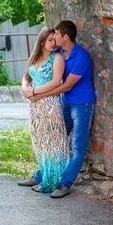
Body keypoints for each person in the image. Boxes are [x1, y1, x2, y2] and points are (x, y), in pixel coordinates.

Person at [19, 20, 96, 199]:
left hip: (82, 104)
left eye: (57, 36)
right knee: (54, 140)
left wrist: (37, 94)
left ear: (65, 37)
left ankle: (65, 183)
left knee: (77, 146)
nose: (54, 40)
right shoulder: (59, 52)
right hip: (65, 103)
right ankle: (42, 175)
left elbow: (65, 86)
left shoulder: (81, 57)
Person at [18, 27, 69, 193]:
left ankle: (52, 181)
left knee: (52, 142)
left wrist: (34, 91)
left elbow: (56, 82)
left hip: (49, 105)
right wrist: (26, 89)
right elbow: (26, 77)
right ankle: (44, 175)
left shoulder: (57, 57)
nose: (54, 43)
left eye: (55, 40)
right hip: (34, 106)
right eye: (50, 40)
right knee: (40, 142)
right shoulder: (35, 57)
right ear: (41, 41)